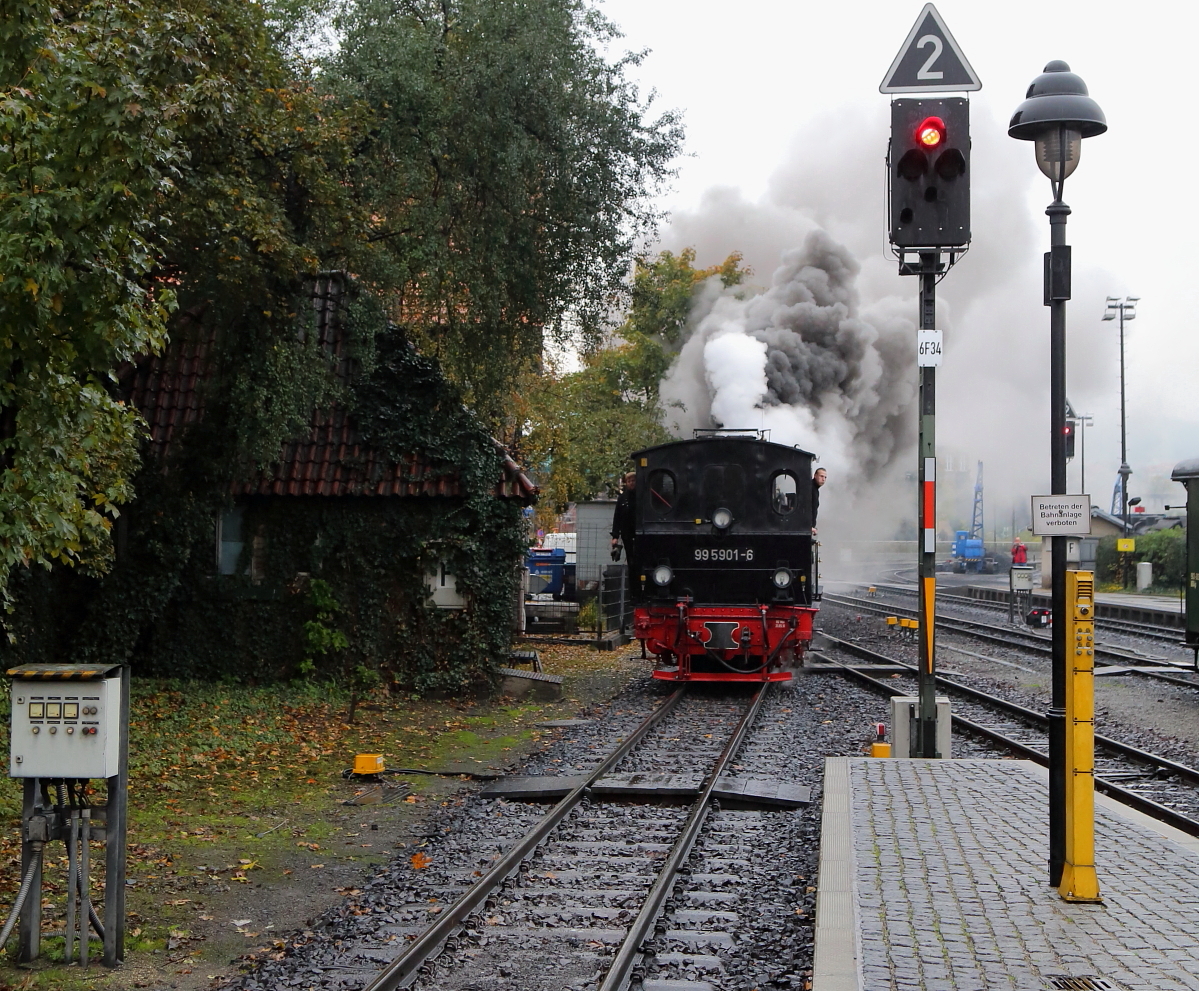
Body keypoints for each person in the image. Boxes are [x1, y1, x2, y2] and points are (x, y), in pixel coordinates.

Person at [610, 471, 637, 563]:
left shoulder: (642, 496)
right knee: (630, 558)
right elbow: (617, 517)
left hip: (641, 533)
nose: (631, 483)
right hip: (627, 534)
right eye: (629, 481)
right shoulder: (622, 498)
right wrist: (615, 536)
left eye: (633, 480)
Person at [811, 467, 827, 535]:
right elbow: (804, 508)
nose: (823, 479)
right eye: (821, 476)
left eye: (825, 477)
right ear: (815, 476)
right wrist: (808, 526)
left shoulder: (815, 490)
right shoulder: (810, 488)